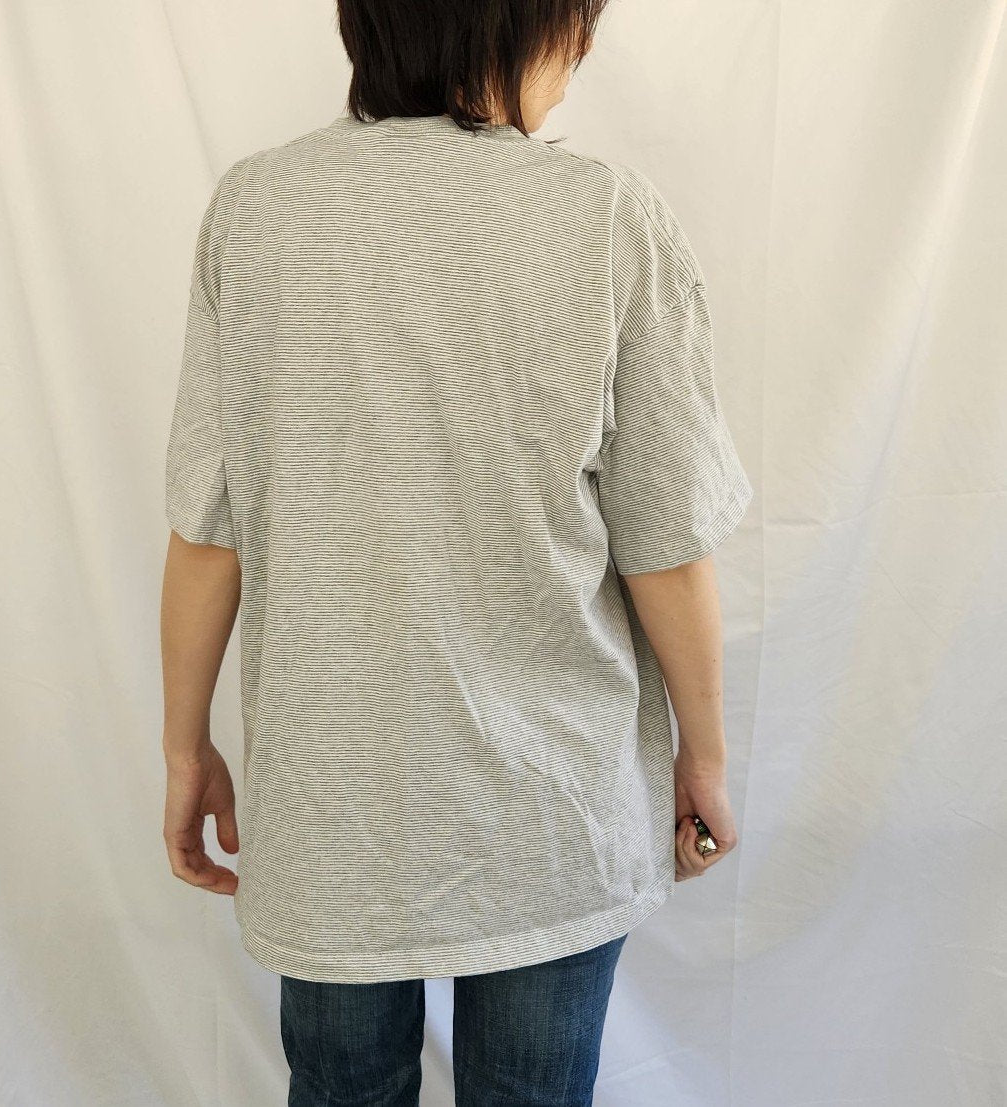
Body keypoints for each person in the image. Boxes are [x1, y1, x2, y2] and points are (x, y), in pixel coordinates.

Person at [159, 1, 753, 1102]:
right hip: (552, 805)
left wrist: (184, 745)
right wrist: (706, 759)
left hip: (327, 803)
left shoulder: (256, 209)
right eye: (575, 26)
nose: (580, 57)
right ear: (521, 25)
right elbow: (664, 542)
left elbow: (207, 530)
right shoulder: (606, 218)